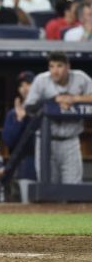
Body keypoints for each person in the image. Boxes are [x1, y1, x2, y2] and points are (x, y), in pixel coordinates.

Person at [24, 52, 92, 184]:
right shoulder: (41, 80)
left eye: (59, 66)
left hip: (71, 141)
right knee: (47, 186)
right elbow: (29, 108)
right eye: (51, 66)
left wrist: (74, 99)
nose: (55, 71)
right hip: (45, 141)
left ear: (68, 67)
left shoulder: (80, 78)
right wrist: (54, 101)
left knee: (74, 188)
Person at [2, 71, 37, 203]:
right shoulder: (13, 114)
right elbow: (9, 141)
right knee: (29, 209)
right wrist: (19, 119)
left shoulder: (45, 109)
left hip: (49, 166)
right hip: (26, 167)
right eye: (21, 85)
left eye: (28, 84)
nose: (25, 88)